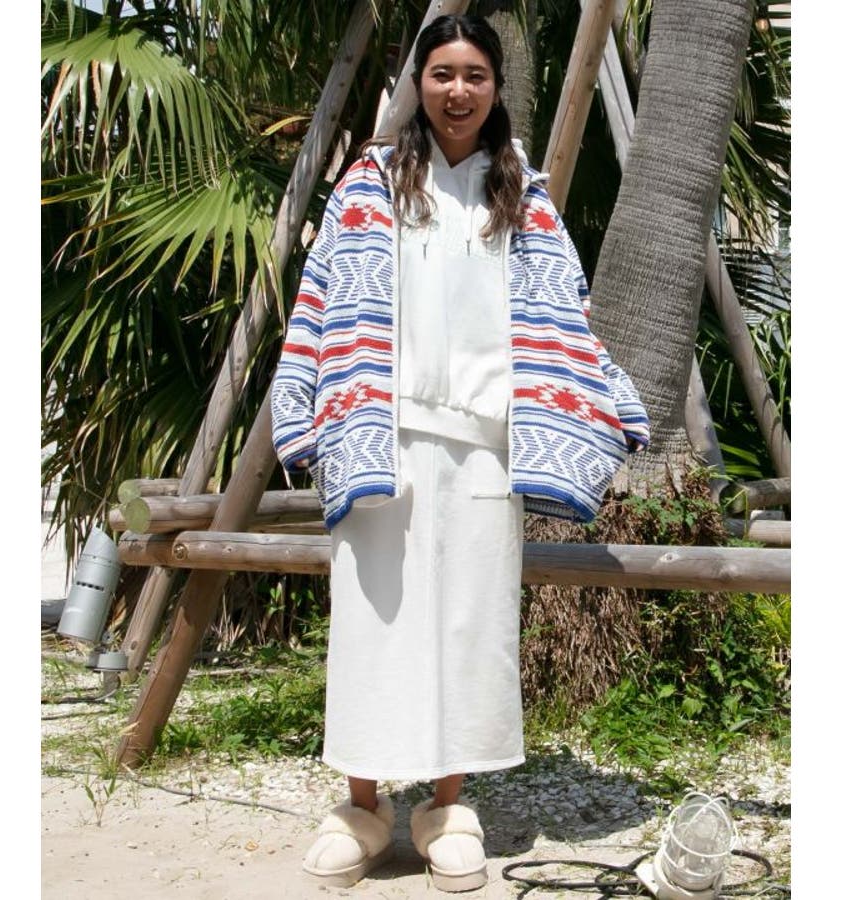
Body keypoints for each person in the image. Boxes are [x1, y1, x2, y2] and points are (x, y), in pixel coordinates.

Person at [271, 14, 649, 893]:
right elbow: (319, 298)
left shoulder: (525, 194)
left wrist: (606, 398)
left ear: (495, 87)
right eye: (442, 73)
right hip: (382, 435)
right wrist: (303, 407)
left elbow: (566, 313)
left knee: (469, 626)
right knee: (373, 626)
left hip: (484, 446)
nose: (457, 90)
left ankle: (446, 809)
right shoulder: (368, 185)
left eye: (475, 74)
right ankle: (362, 808)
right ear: (420, 83)